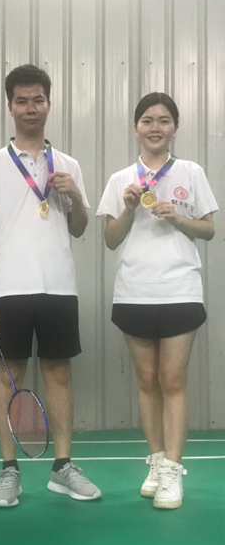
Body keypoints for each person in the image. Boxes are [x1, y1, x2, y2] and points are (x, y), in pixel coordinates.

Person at [0, 64, 101, 507]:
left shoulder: (68, 165)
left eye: (37, 100)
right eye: (21, 100)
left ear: (49, 103)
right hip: (9, 288)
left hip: (59, 286)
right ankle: (9, 470)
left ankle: (63, 467)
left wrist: (75, 195)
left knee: (59, 374)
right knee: (10, 376)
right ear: (10, 106)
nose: (30, 108)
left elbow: (79, 227)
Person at [96, 92, 218, 509]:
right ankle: (156, 460)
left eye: (164, 120)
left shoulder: (190, 172)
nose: (155, 127)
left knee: (173, 380)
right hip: (135, 291)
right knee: (147, 380)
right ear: (136, 127)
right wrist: (129, 209)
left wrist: (178, 217)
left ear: (175, 128)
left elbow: (209, 230)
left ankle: (173, 470)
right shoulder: (120, 180)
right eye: (147, 120)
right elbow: (111, 240)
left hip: (180, 289)